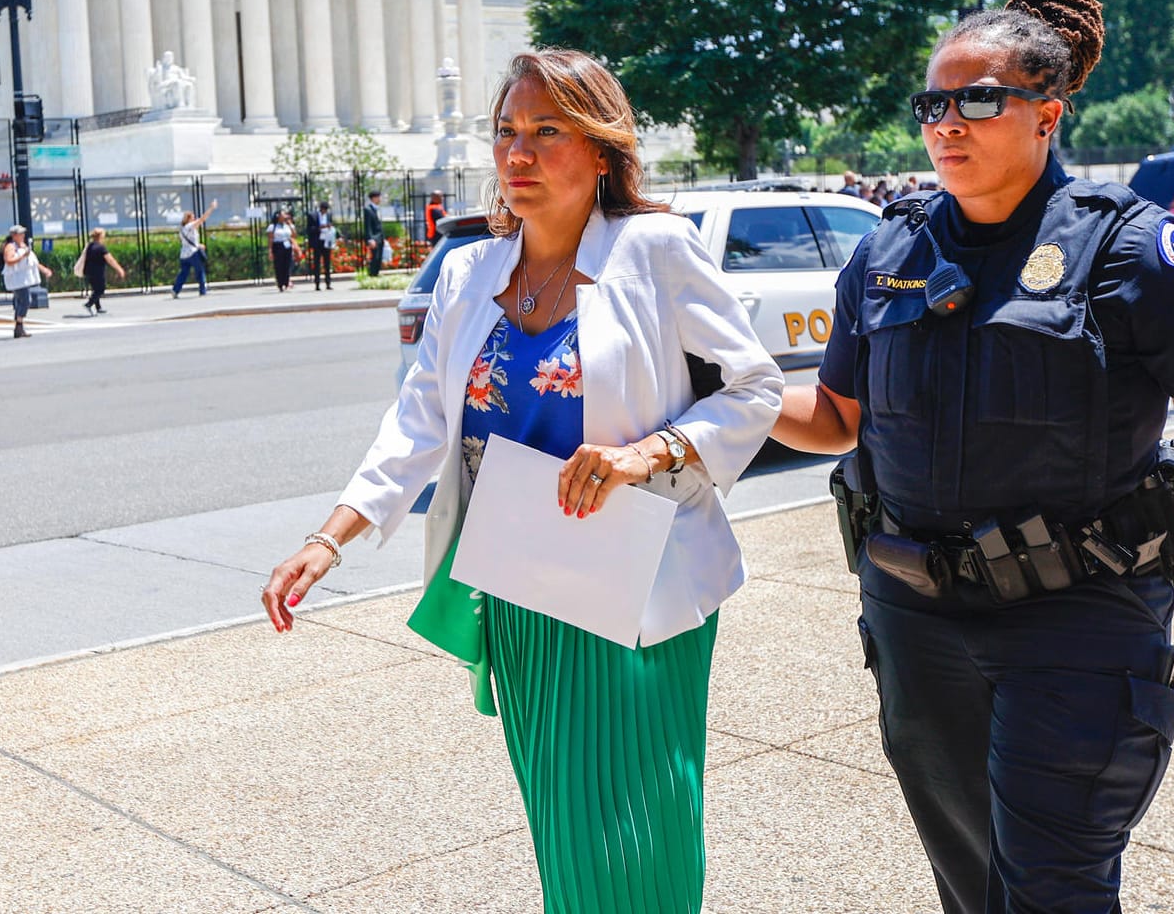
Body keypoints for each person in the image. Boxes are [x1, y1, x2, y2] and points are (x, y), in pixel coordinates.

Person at [262, 48, 783, 912]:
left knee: (639, 829)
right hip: (521, 591)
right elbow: (420, 421)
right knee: (568, 834)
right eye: (507, 132)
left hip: (638, 589)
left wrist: (648, 453)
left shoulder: (655, 250)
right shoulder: (469, 274)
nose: (519, 155)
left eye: (548, 132)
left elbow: (756, 387)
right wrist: (331, 538)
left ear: (604, 150)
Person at [771, 0, 1174, 913]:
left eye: (979, 101)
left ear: (1047, 114)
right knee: (972, 882)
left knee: (1053, 888)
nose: (949, 123)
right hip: (916, 619)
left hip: (1078, 619)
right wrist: (718, 393)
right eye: (933, 105)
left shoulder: (1138, 254)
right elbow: (836, 422)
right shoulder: (886, 251)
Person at [0, 224, 52, 339]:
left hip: (24, 279)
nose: (23, 235)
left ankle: (19, 327)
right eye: (20, 233)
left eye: (23, 233)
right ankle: (19, 325)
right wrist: (22, 256)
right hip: (16, 279)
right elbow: (9, 261)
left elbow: (33, 262)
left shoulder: (23, 246)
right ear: (14, 235)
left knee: (21, 301)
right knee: (26, 300)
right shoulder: (11, 247)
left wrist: (44, 270)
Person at [173, 199, 217, 298]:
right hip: (193, 253)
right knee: (200, 271)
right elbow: (203, 219)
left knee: (183, 273)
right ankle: (203, 290)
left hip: (184, 254)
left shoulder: (182, 229)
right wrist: (211, 208)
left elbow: (186, 242)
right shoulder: (190, 226)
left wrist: (198, 245)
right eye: (193, 217)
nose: (194, 219)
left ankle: (175, 290)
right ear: (189, 219)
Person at [80, 227, 126, 315]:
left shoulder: (90, 246)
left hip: (88, 272)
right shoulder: (101, 248)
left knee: (95, 289)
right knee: (100, 289)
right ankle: (89, 304)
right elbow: (110, 259)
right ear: (100, 236)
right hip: (97, 272)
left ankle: (98, 307)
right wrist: (119, 269)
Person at [266, 209, 299, 292]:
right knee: (279, 266)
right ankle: (280, 284)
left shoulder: (287, 225)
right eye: (283, 214)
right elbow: (270, 239)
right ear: (278, 216)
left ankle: (286, 283)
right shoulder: (273, 226)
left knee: (287, 265)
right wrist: (270, 250)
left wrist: (290, 225)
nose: (285, 216)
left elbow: (294, 235)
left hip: (287, 245)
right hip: (278, 246)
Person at [306, 199, 335, 290]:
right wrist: (319, 228)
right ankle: (317, 283)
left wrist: (329, 227)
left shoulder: (329, 215)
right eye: (323, 210)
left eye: (326, 210)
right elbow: (309, 229)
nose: (325, 212)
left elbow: (331, 224)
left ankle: (328, 283)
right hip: (317, 241)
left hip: (326, 240)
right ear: (320, 209)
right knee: (317, 263)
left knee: (327, 262)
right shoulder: (312, 215)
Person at [363, 189, 385, 276]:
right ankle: (372, 274)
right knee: (374, 257)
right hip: (374, 238)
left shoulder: (378, 209)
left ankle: (376, 274)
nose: (379, 199)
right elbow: (367, 226)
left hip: (380, 237)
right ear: (373, 198)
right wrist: (370, 239)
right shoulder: (368, 210)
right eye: (378, 197)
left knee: (379, 257)